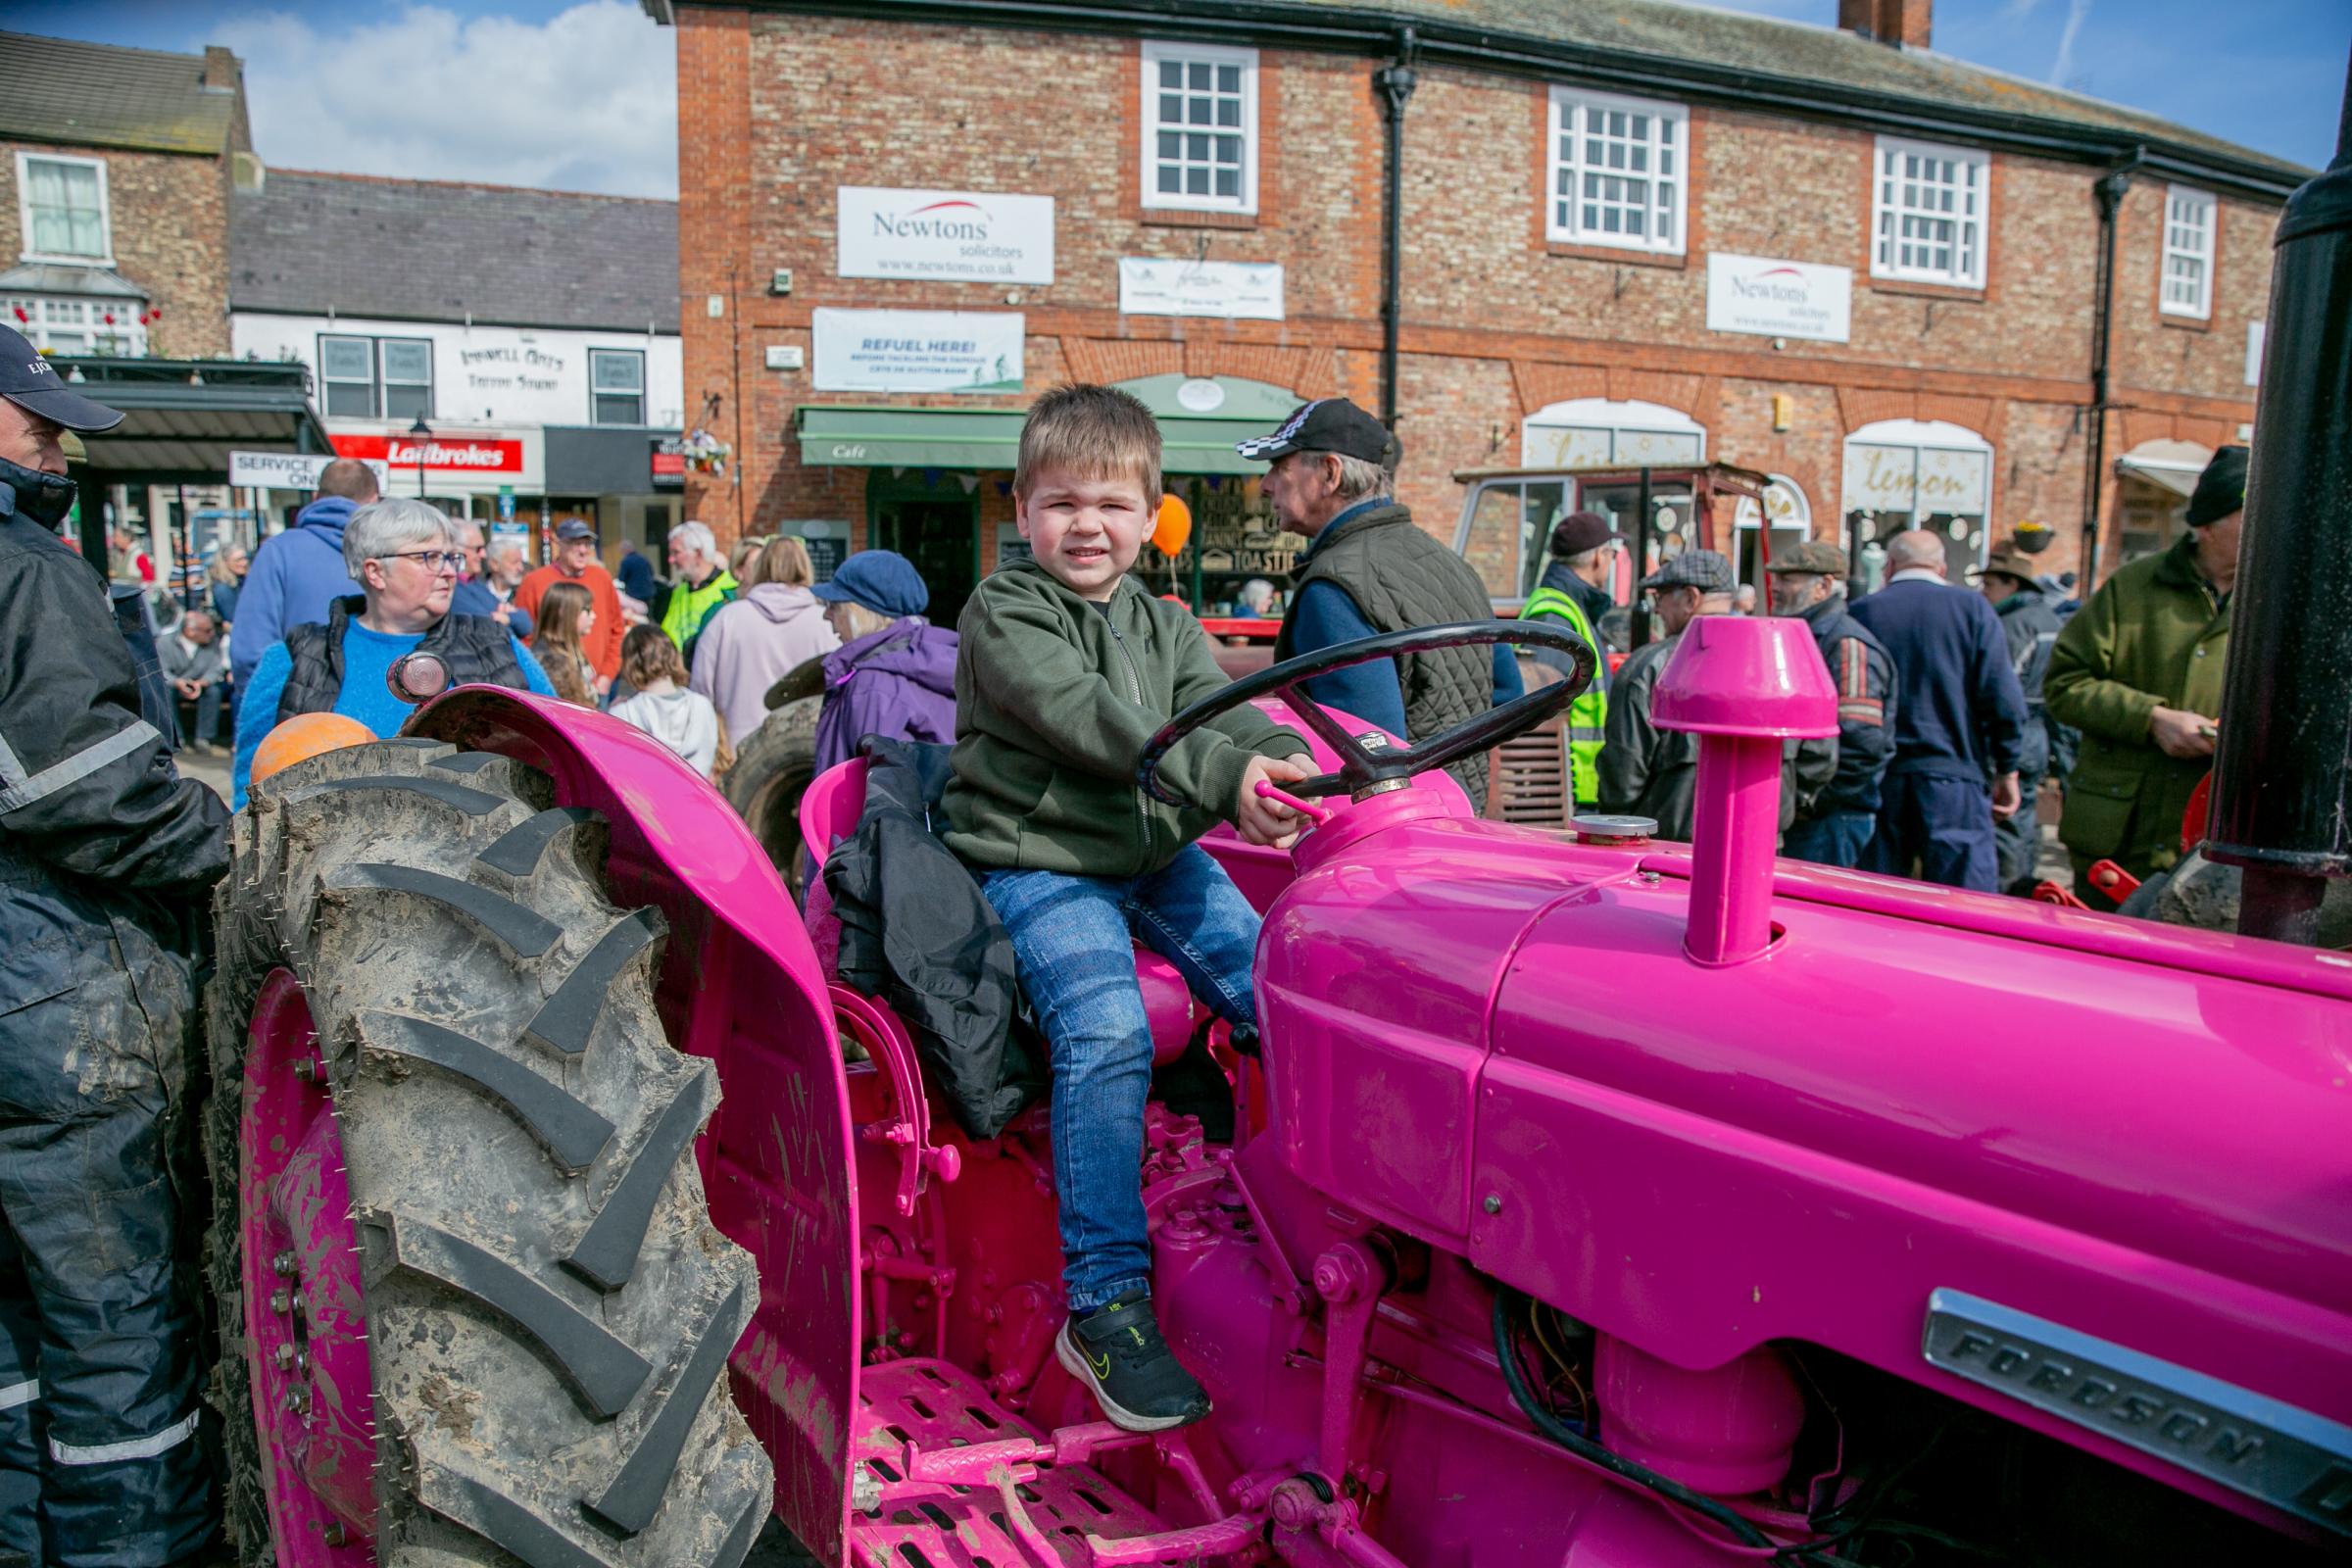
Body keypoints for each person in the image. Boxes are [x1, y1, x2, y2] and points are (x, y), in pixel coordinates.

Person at [946, 384, 1310, 1432]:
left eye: (1111, 504)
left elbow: (1221, 718)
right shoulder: (1006, 611)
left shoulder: (1164, 621)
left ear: (1153, 519)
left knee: (1284, 988)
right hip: (1044, 858)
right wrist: (1223, 773)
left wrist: (1283, 763)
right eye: (1062, 503)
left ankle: (1317, 1210)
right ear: (1022, 512)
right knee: (1103, 1030)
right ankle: (1105, 1301)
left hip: (1157, 857)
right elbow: (1088, 718)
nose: (1087, 525)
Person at [0, 324, 229, 1568]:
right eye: (30, 413)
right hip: (50, 1016)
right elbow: (82, 784)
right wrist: (226, 840)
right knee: (115, 1345)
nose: (56, 437)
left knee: (10, 1344)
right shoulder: (26, 572)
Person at [1244, 397, 1520, 808]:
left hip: (1389, 838)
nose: (1266, 485)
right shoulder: (1452, 565)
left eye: (1280, 467)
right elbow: (1507, 693)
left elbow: (1365, 749)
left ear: (1330, 474)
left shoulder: (1334, 588)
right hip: (1461, 818)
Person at [232, 498, 556, 808]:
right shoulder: (297, 655)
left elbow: (562, 747)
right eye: (428, 557)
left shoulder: (495, 644)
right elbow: (251, 783)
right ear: (375, 571)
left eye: (450, 558)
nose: (447, 572)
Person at [2043, 445, 2242, 908]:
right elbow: (2064, 684)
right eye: (2247, 514)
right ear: (2207, 525)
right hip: (2121, 839)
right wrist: (2151, 718)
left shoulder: (2284, 599)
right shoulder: (2132, 587)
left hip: (2217, 845)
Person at [1845, 529, 2030, 892]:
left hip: (1882, 777)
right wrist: (2008, 769)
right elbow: (2003, 698)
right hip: (1954, 776)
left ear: (1890, 566)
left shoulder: (1862, 611)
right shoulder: (1972, 609)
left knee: (1877, 904)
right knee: (1963, 909)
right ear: (1942, 567)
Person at [1597, 550, 1816, 843]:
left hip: (1670, 848)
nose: (1657, 609)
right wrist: (1787, 804)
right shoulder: (1777, 659)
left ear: (1690, 597)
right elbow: (1820, 756)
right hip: (1763, 840)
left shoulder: (1648, 667)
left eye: (1660, 597)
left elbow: (1623, 774)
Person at [1767, 543, 1896, 868]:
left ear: (1823, 586)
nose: (1776, 587)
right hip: (1805, 815)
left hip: (1832, 818)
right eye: (1776, 578)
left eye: (1788, 579)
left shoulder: (1846, 644)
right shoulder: (1804, 635)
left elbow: (1862, 744)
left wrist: (1808, 802)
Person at [806, 549, 957, 777]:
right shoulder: (922, 659)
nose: (826, 615)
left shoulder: (872, 685)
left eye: (834, 605)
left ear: (863, 610)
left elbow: (879, 793)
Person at [230, 457, 379, 687]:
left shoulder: (278, 551)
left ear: (315, 497)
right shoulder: (391, 555)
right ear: (373, 501)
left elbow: (250, 652)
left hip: (294, 709)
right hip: (374, 702)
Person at [1978, 543, 2068, 894]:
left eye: (1990, 585)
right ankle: (2026, 887)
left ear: (2012, 585)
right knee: (2026, 821)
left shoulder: (2014, 625)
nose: (1984, 593)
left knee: (2005, 818)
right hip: (2040, 731)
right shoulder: (2050, 619)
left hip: (2019, 730)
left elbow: (2004, 693)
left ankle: (2009, 893)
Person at [690, 534, 838, 746]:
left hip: (738, 749)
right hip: (807, 750)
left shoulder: (726, 619)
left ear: (761, 567)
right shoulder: (826, 623)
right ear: (805, 567)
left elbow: (700, 691)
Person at [1516, 510, 1616, 806]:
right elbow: (1539, 707)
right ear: (1599, 557)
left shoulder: (1570, 608)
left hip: (1576, 786)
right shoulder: (1556, 616)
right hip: (1566, 791)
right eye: (1611, 554)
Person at [515, 518, 623, 689]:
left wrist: (607, 675)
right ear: (559, 544)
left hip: (596, 685)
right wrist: (539, 679)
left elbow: (617, 629)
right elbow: (524, 638)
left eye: (586, 544)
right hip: (553, 684)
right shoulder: (534, 582)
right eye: (575, 543)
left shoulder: (601, 578)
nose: (583, 550)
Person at [610, 625, 729, 779]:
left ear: (629, 664)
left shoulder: (623, 714)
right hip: (692, 799)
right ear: (673, 656)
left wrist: (609, 720)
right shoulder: (703, 707)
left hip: (645, 801)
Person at [662, 520, 739, 662]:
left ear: (697, 552)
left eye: (676, 552)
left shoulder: (731, 589)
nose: (671, 559)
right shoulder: (680, 591)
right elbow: (667, 635)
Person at [158, 606, 228, 755]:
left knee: (214, 691)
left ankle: (204, 738)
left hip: (201, 684)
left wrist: (202, 683)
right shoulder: (165, 643)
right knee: (164, 692)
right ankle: (177, 737)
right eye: (207, 630)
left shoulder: (213, 643)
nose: (212, 633)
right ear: (191, 631)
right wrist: (178, 683)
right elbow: (161, 670)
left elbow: (216, 669)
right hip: (175, 685)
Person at [451, 520, 533, 640]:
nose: (483, 554)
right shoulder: (452, 589)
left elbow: (526, 624)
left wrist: (507, 618)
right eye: (478, 549)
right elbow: (488, 629)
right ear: (456, 550)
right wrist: (507, 618)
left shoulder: (476, 584)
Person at [531, 580, 600, 708]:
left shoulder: (568, 649)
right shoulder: (548, 660)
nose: (594, 616)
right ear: (563, 611)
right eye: (587, 610)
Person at [208, 543, 248, 629]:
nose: (244, 563)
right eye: (238, 560)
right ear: (225, 562)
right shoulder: (223, 588)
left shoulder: (242, 580)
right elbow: (234, 619)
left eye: (245, 558)